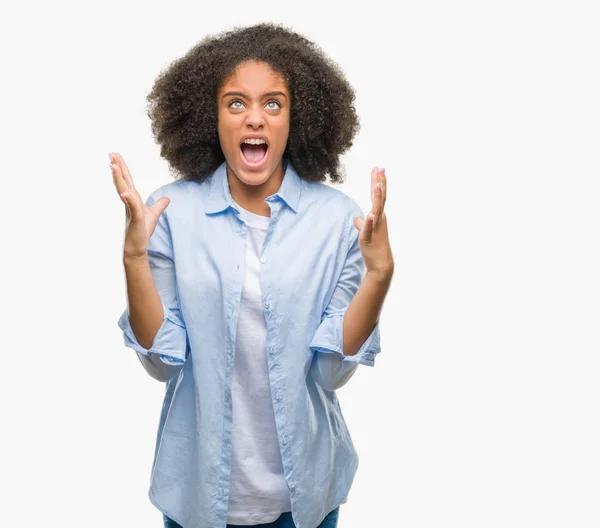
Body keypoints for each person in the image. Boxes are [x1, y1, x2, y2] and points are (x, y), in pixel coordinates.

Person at [112, 22, 394, 528]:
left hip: (305, 497)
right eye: (236, 103)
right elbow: (163, 365)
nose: (254, 120)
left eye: (273, 103)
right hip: (197, 495)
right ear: (210, 117)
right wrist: (134, 259)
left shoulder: (339, 221)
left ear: (296, 118)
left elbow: (331, 374)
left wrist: (378, 275)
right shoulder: (169, 213)